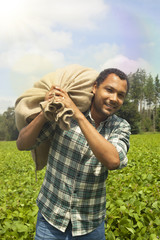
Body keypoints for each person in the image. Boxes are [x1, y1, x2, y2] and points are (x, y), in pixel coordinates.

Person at [16, 68, 131, 240]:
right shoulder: (64, 114)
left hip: (90, 225)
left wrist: (77, 114)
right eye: (109, 90)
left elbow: (113, 160)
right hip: (50, 220)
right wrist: (45, 111)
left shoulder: (120, 126)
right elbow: (22, 144)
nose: (114, 98)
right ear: (94, 88)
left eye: (120, 95)